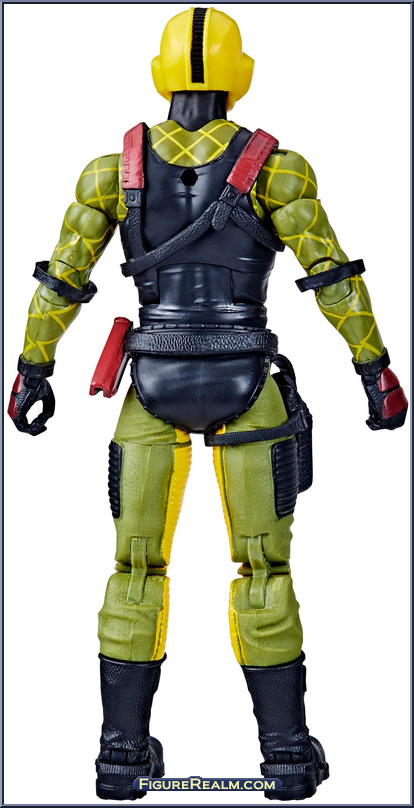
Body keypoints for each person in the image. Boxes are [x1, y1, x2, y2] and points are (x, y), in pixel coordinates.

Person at [8, 6, 407, 802]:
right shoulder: (279, 171)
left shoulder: (110, 172)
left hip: (150, 385)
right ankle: (285, 757)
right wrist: (374, 369)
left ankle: (120, 755)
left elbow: (63, 279)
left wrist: (32, 366)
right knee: (265, 565)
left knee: (134, 565)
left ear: (160, 73)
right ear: (242, 75)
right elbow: (334, 278)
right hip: (246, 383)